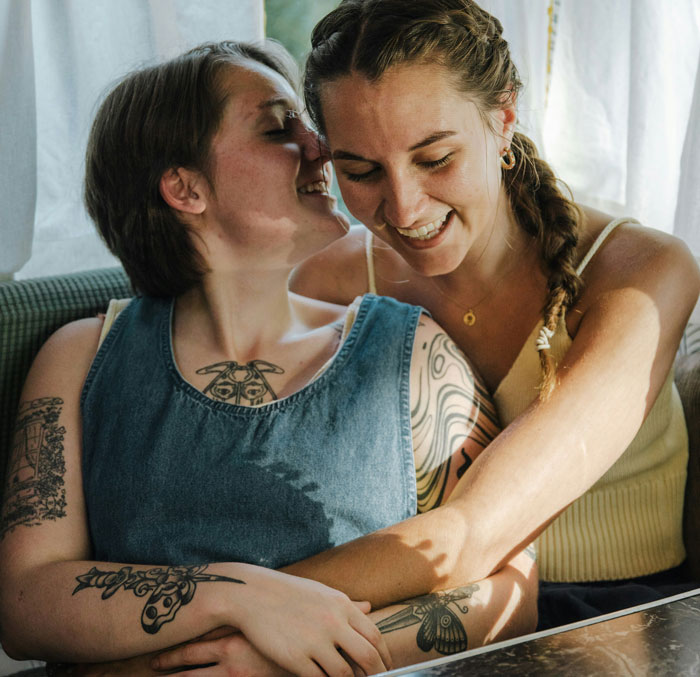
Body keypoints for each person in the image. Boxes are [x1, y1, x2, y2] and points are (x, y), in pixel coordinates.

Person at [0, 40, 536, 675]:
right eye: (281, 127)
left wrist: (260, 661)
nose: (320, 147)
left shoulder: (411, 354)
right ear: (185, 187)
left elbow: (510, 593)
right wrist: (238, 596)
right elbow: (26, 601)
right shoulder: (83, 357)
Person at [288, 0, 700, 630]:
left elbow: (470, 536)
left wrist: (225, 601)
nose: (401, 207)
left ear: (503, 118)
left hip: (616, 622)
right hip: (417, 613)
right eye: (362, 170)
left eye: (434, 159)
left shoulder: (642, 272)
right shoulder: (329, 283)